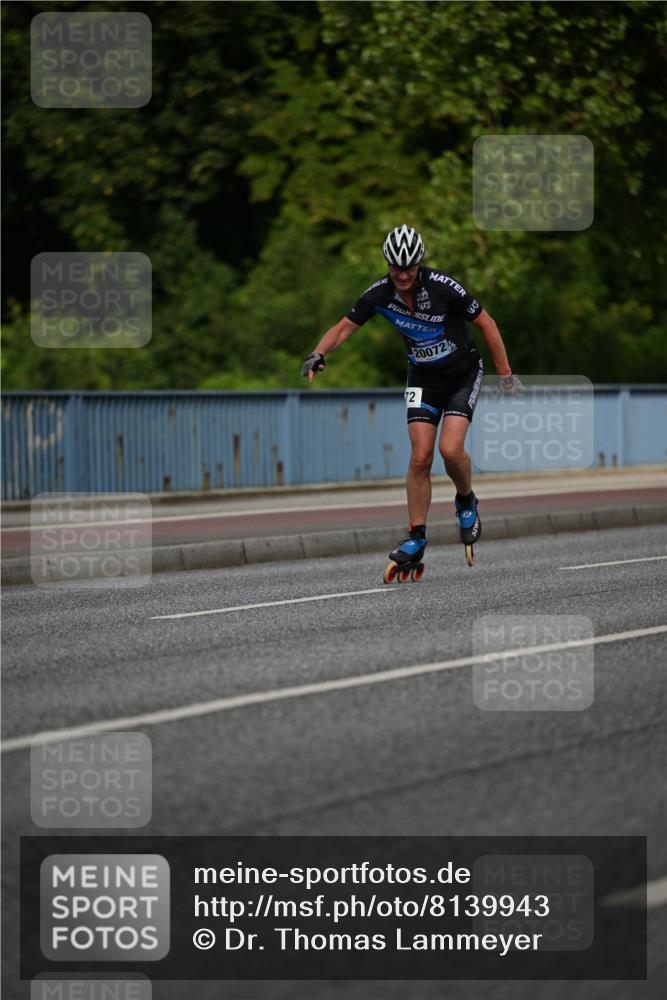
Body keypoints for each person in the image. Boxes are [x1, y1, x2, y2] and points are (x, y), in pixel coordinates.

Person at [301, 225, 522, 570]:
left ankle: (466, 500)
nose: (403, 275)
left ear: (420, 263)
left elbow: (488, 324)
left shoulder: (445, 287)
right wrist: (318, 353)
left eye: (410, 267)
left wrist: (505, 375)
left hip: (463, 374)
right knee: (420, 457)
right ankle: (416, 535)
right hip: (422, 377)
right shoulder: (378, 294)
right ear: (388, 264)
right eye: (396, 267)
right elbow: (344, 327)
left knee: (449, 450)